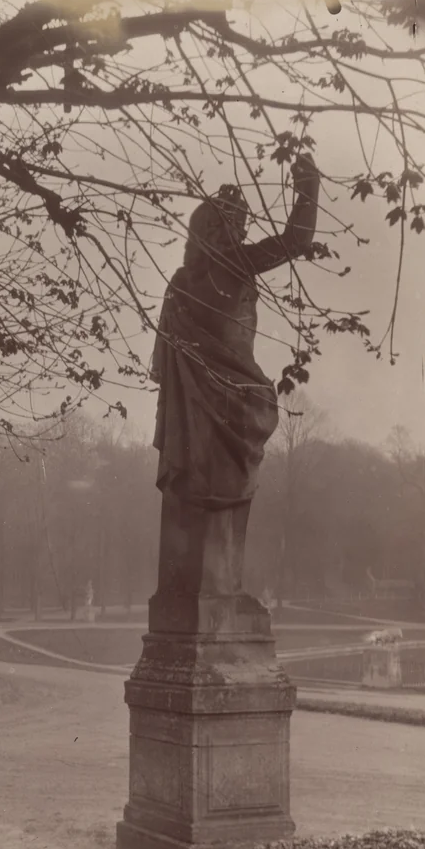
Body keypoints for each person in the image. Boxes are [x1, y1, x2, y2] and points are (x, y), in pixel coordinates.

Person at [150, 154, 320, 596]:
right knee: (225, 497)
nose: (241, 232)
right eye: (235, 225)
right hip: (233, 404)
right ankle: (218, 596)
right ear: (217, 231)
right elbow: (298, 239)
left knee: (192, 492)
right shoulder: (238, 264)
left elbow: (163, 367)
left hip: (190, 414)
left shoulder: (179, 283)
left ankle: (194, 598)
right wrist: (307, 184)